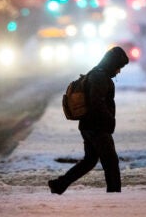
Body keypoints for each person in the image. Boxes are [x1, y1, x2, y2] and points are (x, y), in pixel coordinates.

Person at [48, 46, 129, 194]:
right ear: (112, 63)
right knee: (111, 162)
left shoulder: (97, 74)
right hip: (96, 127)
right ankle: (114, 194)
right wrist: (109, 120)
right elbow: (96, 103)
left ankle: (59, 184)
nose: (119, 71)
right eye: (118, 67)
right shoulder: (99, 77)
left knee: (89, 161)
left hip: (89, 125)